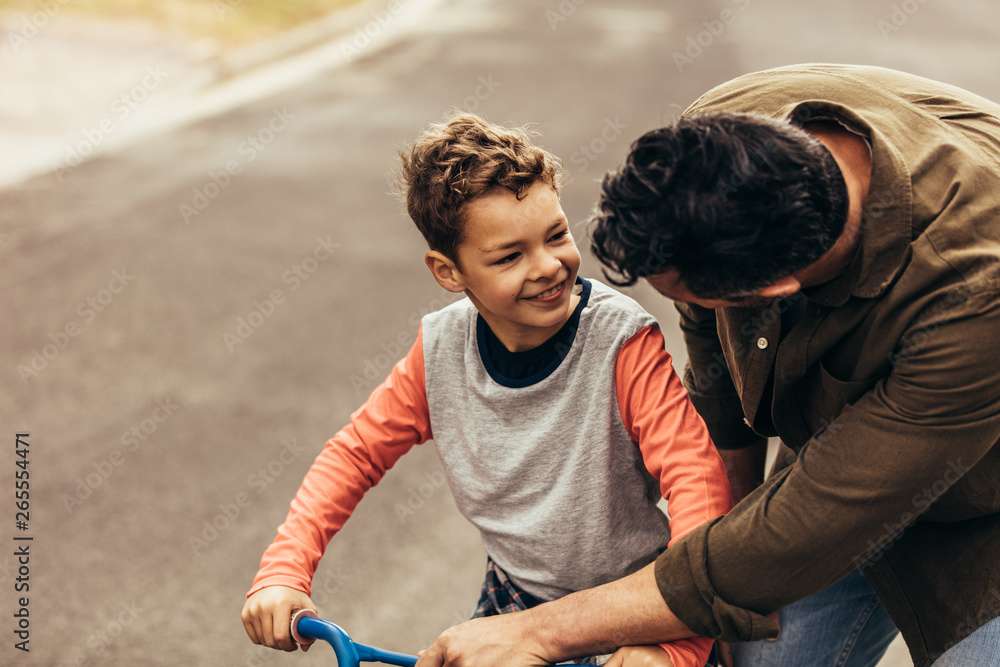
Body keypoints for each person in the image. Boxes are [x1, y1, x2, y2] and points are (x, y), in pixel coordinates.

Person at [412, 65, 1000, 667]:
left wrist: (536, 632)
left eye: (693, 297)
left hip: (982, 508)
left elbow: (792, 538)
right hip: (843, 455)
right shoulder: (718, 137)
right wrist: (708, 566)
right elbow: (718, 377)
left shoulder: (976, 294)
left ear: (777, 289)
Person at [240, 113, 733, 667]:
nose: (548, 267)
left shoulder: (621, 342)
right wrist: (284, 569)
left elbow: (697, 481)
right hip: (514, 600)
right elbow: (352, 456)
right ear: (448, 272)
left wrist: (677, 648)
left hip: (637, 609)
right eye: (509, 256)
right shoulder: (442, 350)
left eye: (556, 236)